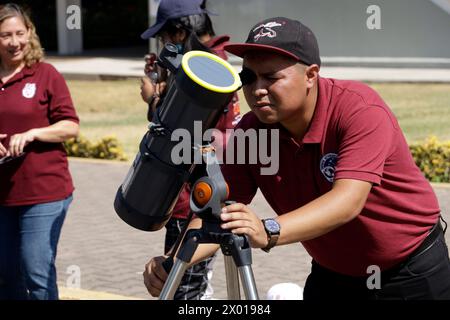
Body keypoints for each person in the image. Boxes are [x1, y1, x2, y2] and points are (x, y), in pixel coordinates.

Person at [143, 16, 450, 300]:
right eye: (249, 77)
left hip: (411, 272)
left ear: (311, 75)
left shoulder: (358, 110)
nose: (257, 89)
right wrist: (173, 262)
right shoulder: (253, 131)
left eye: (271, 77)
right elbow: (217, 213)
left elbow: (347, 202)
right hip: (333, 275)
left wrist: (269, 230)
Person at [140, 0, 241, 300]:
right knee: (194, 286)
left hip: (194, 196)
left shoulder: (203, 70)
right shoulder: (213, 61)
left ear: (180, 32)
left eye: (165, 37)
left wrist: (152, 99)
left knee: (182, 289)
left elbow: (178, 131)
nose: (164, 44)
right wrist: (166, 79)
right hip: (207, 189)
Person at [0, 3, 79, 300]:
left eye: (20, 33)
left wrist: (33, 133)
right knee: (6, 275)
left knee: (36, 270)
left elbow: (71, 126)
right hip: (3, 195)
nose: (14, 42)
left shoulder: (45, 74)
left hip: (44, 192)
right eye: (5, 35)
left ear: (30, 33)